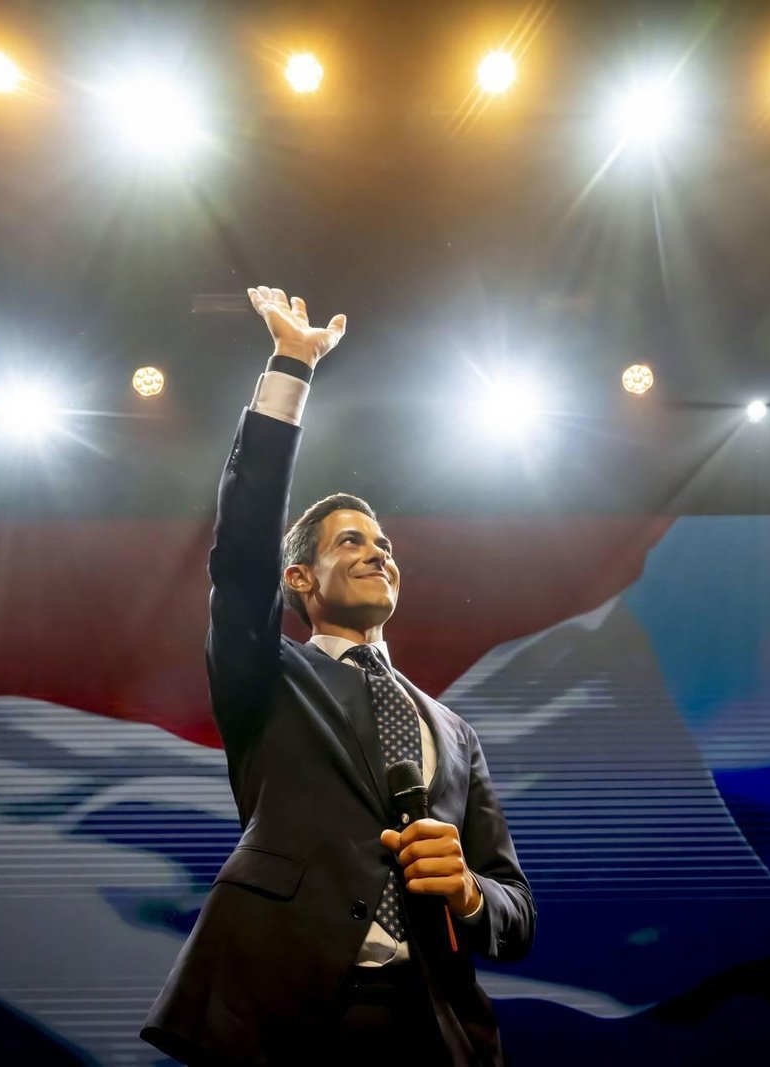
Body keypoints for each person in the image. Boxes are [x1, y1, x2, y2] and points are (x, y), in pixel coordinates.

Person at [141, 286, 535, 1065]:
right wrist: (292, 365)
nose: (377, 552)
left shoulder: (453, 732)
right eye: (350, 540)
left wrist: (467, 890)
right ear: (299, 579)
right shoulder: (264, 676)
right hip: (281, 1020)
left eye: (385, 544)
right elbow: (242, 553)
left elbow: (515, 908)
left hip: (432, 1030)